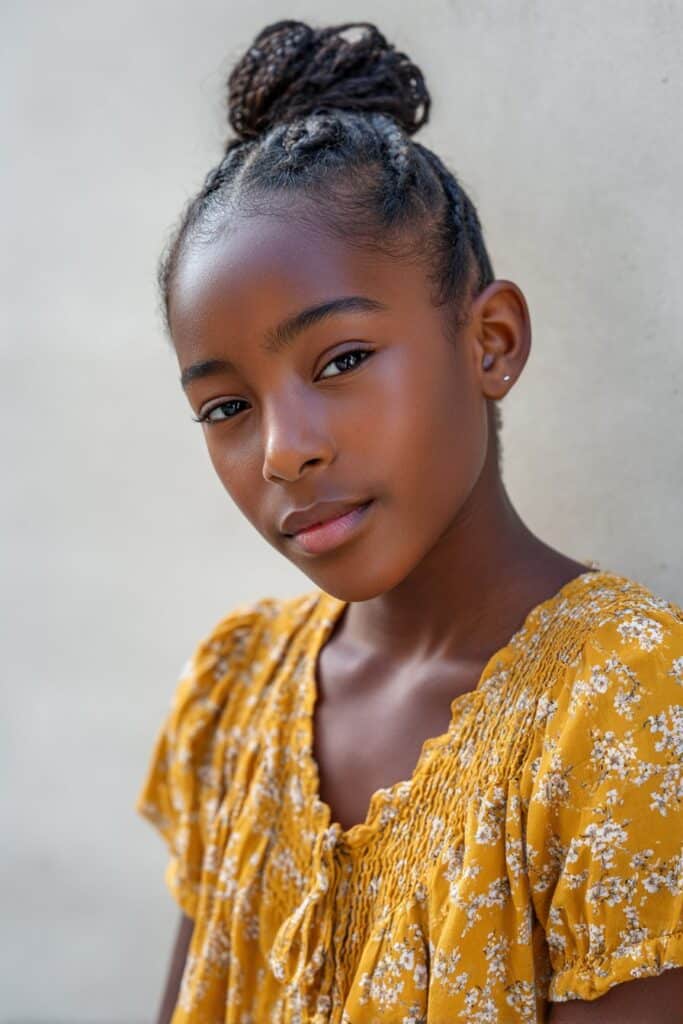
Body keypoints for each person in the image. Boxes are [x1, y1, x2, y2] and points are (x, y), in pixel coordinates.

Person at [135, 18, 683, 1024]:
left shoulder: (622, 708)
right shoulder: (235, 694)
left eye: (340, 360)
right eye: (225, 407)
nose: (281, 451)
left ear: (490, 342)